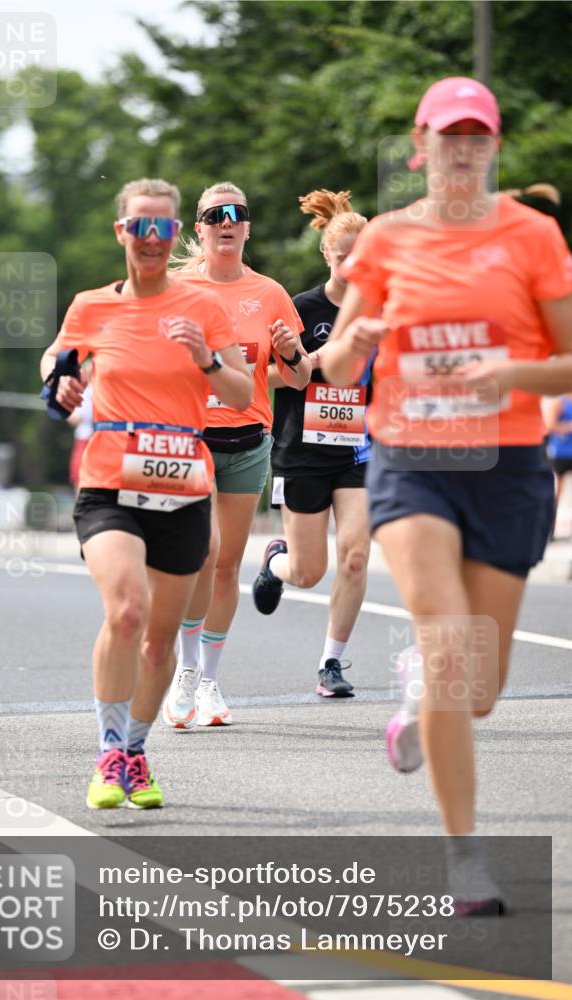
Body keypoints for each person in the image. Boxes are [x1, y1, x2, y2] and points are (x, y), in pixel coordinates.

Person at [321, 77, 572, 912]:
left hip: (505, 466)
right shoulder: (387, 240)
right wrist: (350, 341)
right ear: (419, 149)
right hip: (412, 458)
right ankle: (464, 860)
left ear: (491, 147)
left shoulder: (530, 236)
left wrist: (512, 371)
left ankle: (419, 700)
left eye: (475, 136)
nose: (460, 150)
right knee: (443, 641)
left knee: (480, 689)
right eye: (445, 136)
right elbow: (335, 370)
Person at [39, 178, 251, 809]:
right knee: (126, 612)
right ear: (123, 232)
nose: (152, 239)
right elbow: (56, 360)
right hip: (110, 483)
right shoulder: (92, 307)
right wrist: (62, 384)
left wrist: (208, 362)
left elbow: (242, 393)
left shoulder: (204, 310)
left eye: (163, 227)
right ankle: (107, 752)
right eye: (141, 226)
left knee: (160, 642)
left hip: (185, 485)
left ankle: (134, 750)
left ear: (175, 232)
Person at [162, 181, 311, 729]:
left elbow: (300, 375)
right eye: (214, 215)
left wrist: (293, 351)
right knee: (205, 552)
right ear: (199, 228)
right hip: (191, 438)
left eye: (237, 214)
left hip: (250, 441)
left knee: (226, 568)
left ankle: (209, 683)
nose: (226, 221)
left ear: (247, 226)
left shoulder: (271, 294)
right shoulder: (175, 288)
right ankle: (185, 667)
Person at [252, 189, 373, 699]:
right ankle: (275, 562)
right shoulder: (301, 308)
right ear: (327, 254)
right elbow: (271, 378)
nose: (354, 263)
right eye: (343, 254)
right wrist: (313, 360)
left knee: (355, 555)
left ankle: (331, 663)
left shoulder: (381, 311)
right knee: (308, 571)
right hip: (301, 450)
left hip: (359, 451)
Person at [543, 393, 572, 537]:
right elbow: (550, 425)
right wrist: (568, 427)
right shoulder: (559, 401)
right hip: (561, 453)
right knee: (556, 493)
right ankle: (550, 529)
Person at [68, 378, 93, 494]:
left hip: (96, 438)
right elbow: (73, 418)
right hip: (83, 437)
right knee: (78, 475)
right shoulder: (82, 392)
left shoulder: (99, 391)